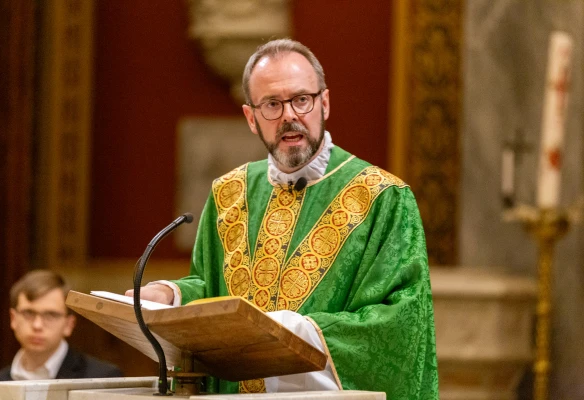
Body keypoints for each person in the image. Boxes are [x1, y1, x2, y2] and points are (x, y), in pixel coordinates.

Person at [127, 38, 439, 399]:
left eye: (301, 99)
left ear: (324, 103)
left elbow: (402, 326)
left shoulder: (383, 198)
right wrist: (172, 294)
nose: (289, 115)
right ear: (251, 117)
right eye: (272, 104)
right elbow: (211, 286)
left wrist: (290, 331)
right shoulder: (228, 193)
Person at [0, 270, 123, 400]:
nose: (37, 325)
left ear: (69, 325)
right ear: (13, 319)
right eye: (28, 313)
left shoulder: (103, 380)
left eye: (50, 315)